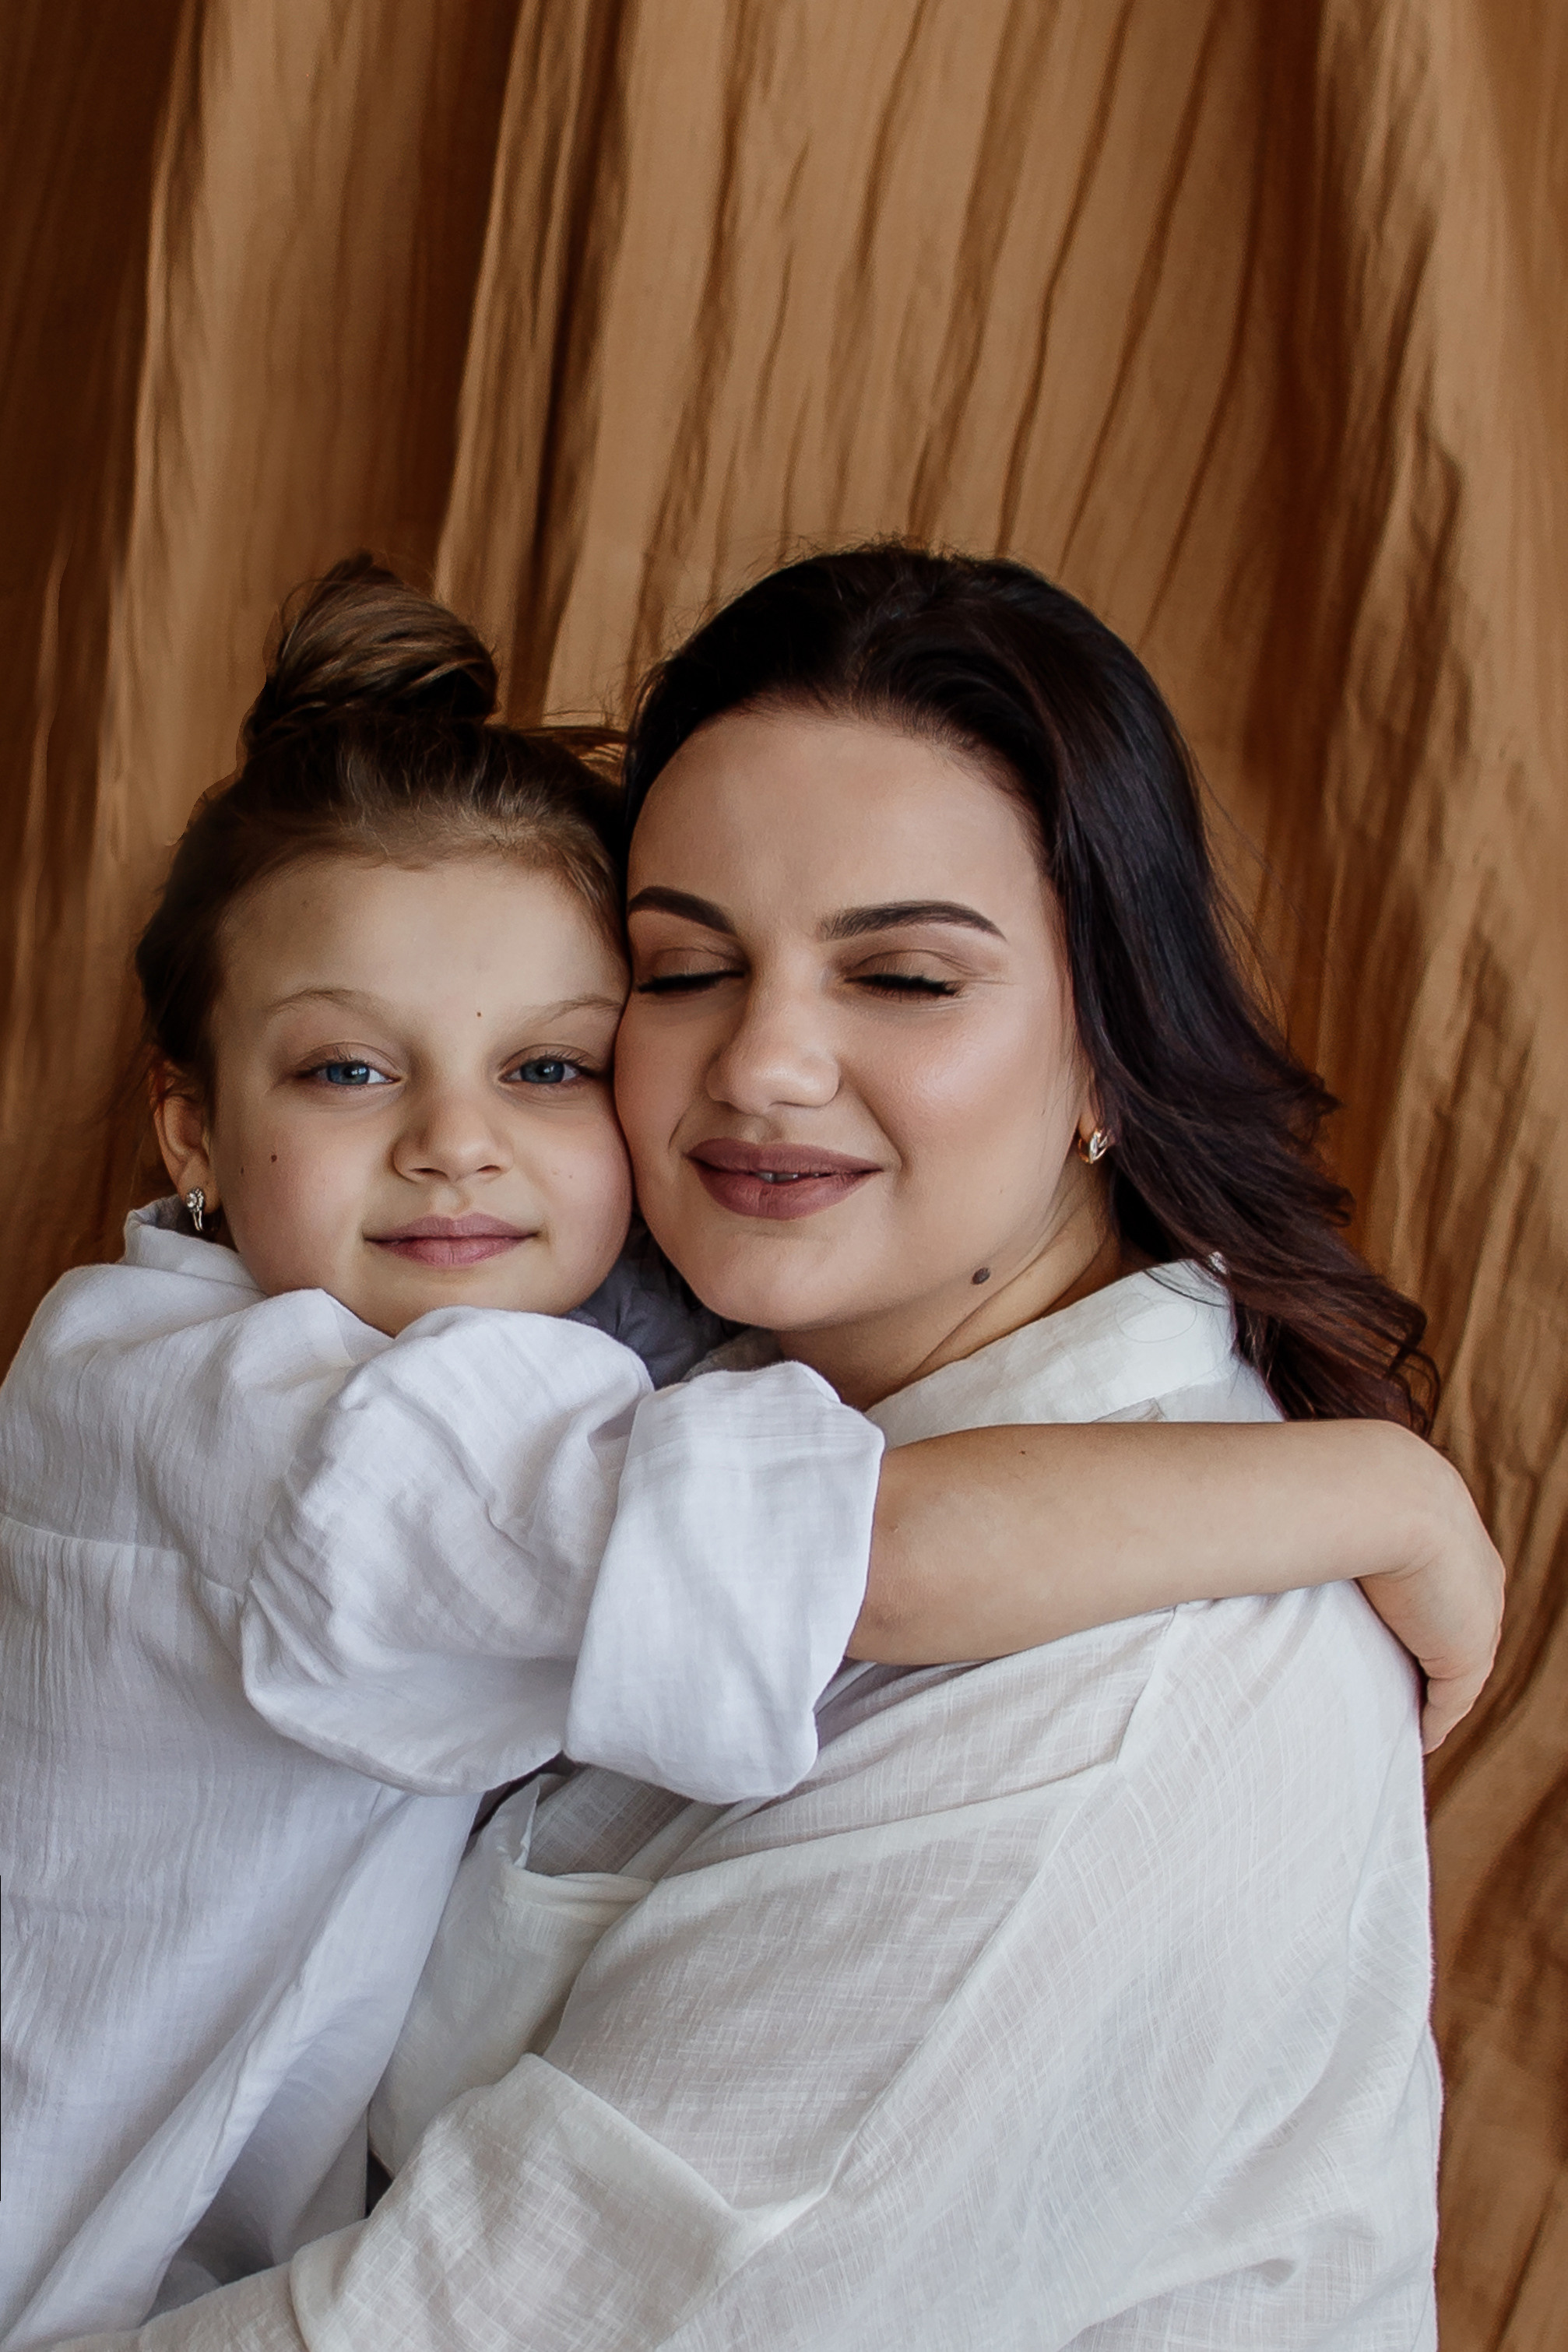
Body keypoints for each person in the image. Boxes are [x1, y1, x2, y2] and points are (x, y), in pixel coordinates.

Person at [47, 546, 1500, 2352]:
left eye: (899, 974)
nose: (764, 1064)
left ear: (1101, 1055)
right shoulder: (539, 1361)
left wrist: (1365, 1485)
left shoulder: (1124, 1688)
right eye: (682, 965)